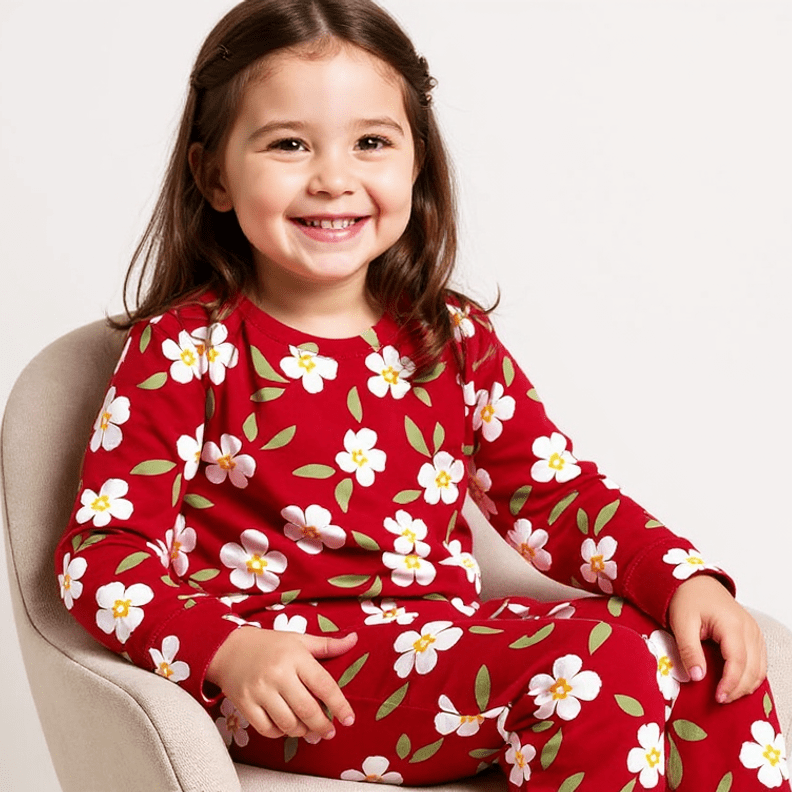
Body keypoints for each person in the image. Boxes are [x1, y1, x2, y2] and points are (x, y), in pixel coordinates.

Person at [54, 0, 789, 788]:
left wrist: (680, 577)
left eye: (371, 143)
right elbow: (102, 557)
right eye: (289, 144)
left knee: (695, 653)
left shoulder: (450, 336)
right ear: (214, 176)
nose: (334, 178)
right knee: (592, 661)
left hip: (445, 644)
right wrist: (225, 650)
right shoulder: (185, 348)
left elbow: (553, 495)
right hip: (301, 681)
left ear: (415, 163)